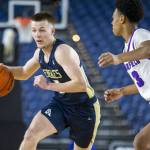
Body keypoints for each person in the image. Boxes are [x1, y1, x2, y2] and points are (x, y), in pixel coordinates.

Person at [1, 12, 100, 150]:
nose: (37, 34)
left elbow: (81, 85)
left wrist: (48, 85)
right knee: (31, 135)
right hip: (61, 103)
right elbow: (24, 72)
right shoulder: (39, 53)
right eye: (34, 30)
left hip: (84, 107)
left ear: (52, 31)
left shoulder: (62, 51)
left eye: (42, 30)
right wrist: (6, 69)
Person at [98, 0, 150, 150]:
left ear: (122, 19)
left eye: (113, 18)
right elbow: (144, 83)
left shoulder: (139, 34)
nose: (111, 22)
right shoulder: (127, 48)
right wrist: (122, 91)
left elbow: (148, 50)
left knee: (141, 142)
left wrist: (117, 58)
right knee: (141, 143)